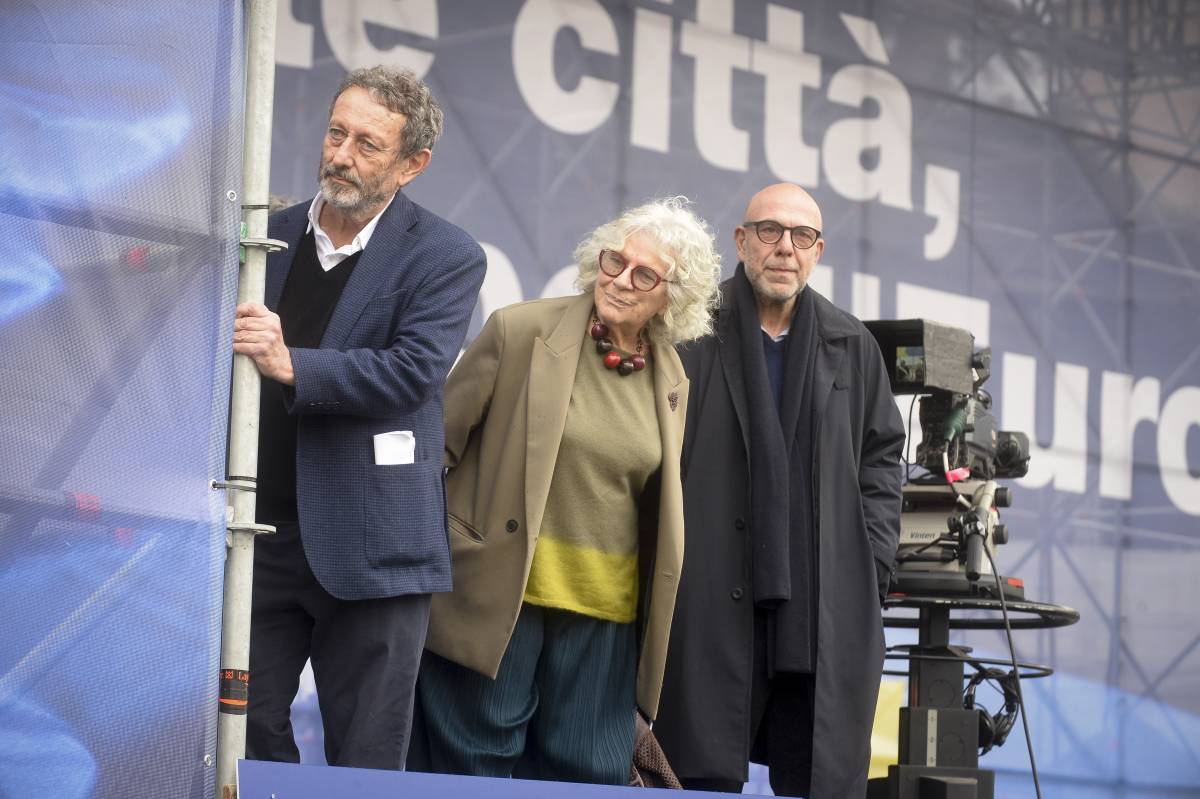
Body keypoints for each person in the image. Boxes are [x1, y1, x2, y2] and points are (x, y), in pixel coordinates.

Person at [410, 198, 721, 785]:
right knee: (474, 767)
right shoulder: (519, 330)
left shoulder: (672, 377)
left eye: (644, 275)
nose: (620, 281)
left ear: (671, 298)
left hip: (605, 621)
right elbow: (434, 449)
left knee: (587, 775)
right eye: (614, 261)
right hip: (500, 598)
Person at [233, 66, 486, 769]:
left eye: (367, 145)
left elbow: (413, 371)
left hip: (376, 548)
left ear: (412, 165)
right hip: (261, 535)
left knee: (367, 759)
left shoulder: (446, 255)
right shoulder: (265, 236)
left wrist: (292, 361)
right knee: (238, 730)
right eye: (336, 132)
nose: (341, 155)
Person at [653, 183, 905, 797]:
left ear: (818, 252)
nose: (785, 249)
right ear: (741, 242)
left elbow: (881, 457)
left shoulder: (851, 345)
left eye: (802, 237)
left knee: (816, 773)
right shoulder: (691, 331)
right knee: (696, 772)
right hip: (707, 593)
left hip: (819, 602)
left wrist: (871, 563)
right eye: (769, 231)